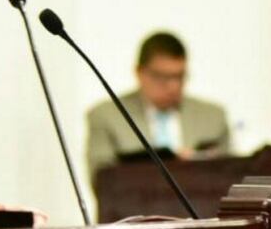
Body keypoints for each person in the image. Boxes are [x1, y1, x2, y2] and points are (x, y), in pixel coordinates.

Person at [85, 31, 230, 181]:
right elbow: (103, 180)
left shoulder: (213, 117)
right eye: (162, 77)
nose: (173, 86)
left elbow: (228, 177)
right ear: (139, 72)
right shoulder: (107, 116)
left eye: (179, 76)